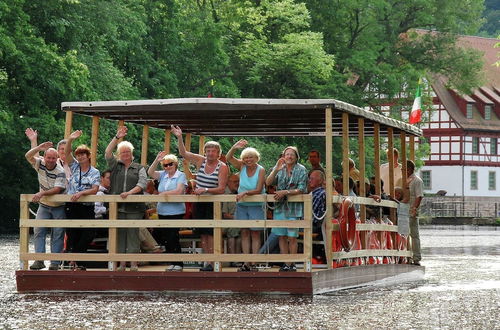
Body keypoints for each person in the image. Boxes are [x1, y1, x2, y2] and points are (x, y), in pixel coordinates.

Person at [171, 125, 228, 272]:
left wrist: (206, 189)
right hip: (200, 202)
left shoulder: (222, 167)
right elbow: (183, 153)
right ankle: (206, 262)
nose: (210, 153)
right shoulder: (200, 161)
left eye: (213, 151)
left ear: (218, 153)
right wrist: (179, 137)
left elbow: (221, 188)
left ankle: (215, 262)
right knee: (203, 233)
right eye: (208, 151)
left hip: (213, 202)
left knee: (212, 233)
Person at [105, 126, 147, 271]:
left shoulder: (139, 167)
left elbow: (142, 184)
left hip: (134, 207)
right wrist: (117, 137)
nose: (125, 154)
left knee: (133, 235)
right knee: (120, 235)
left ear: (132, 153)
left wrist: (129, 193)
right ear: (119, 154)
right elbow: (107, 152)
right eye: (123, 152)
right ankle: (122, 264)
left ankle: (134, 263)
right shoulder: (115, 166)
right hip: (117, 207)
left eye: (128, 152)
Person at [25, 141, 67, 270]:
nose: (50, 160)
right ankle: (39, 260)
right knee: (38, 231)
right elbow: (28, 156)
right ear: (44, 157)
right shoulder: (40, 164)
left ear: (57, 159)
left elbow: (57, 189)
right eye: (48, 157)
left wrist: (41, 193)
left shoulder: (60, 171)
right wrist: (38, 147)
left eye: (53, 158)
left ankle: (54, 263)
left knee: (58, 233)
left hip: (59, 205)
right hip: (44, 205)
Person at [266, 146, 307, 272]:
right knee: (281, 236)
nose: (289, 156)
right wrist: (275, 170)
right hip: (280, 207)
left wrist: (285, 192)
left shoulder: (301, 169)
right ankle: (286, 263)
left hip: (294, 208)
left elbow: (301, 189)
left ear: (296, 157)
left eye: (291, 154)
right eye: (287, 154)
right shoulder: (279, 167)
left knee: (292, 237)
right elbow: (268, 183)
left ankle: (292, 263)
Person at [226, 140, 266, 272]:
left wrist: (245, 193)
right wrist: (234, 148)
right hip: (242, 204)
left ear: (256, 158)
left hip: (255, 204)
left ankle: (254, 262)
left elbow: (259, 189)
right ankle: (246, 262)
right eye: (246, 158)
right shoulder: (242, 166)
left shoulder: (261, 170)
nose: (248, 160)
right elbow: (228, 158)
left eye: (251, 157)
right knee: (244, 232)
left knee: (255, 233)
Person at [64, 130, 100, 270]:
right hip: (72, 205)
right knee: (72, 233)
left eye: (83, 154)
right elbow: (67, 154)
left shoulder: (94, 171)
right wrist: (70, 139)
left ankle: (77, 258)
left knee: (88, 233)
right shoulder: (74, 166)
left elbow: (95, 189)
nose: (80, 157)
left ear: (88, 156)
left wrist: (81, 193)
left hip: (86, 205)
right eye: (78, 155)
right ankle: (75, 263)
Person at [148, 151, 187, 271]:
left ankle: (179, 263)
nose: (168, 167)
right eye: (165, 165)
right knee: (166, 237)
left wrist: (163, 194)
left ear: (175, 164)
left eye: (170, 164)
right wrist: (156, 160)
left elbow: (179, 191)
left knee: (173, 236)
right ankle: (172, 261)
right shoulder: (163, 175)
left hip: (176, 211)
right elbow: (150, 172)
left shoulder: (181, 175)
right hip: (162, 210)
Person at [407, 160, 423, 265]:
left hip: (411, 208)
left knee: (414, 234)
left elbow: (419, 196)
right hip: (404, 209)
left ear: (410, 169)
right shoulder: (405, 180)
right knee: (404, 233)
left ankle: (416, 257)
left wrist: (414, 208)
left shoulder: (417, 181)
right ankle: (407, 256)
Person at [308, 170, 326, 263]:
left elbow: (309, 215)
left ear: (319, 181)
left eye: (312, 179)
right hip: (318, 226)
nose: (309, 180)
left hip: (314, 226)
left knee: (281, 230)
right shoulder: (322, 192)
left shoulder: (317, 194)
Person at [222, 174, 241, 257]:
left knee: (245, 229)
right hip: (223, 222)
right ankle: (233, 258)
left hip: (237, 220)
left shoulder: (239, 192)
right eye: (235, 182)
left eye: (238, 182)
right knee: (235, 228)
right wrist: (238, 218)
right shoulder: (225, 194)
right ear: (228, 182)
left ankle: (243, 258)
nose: (237, 183)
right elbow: (225, 215)